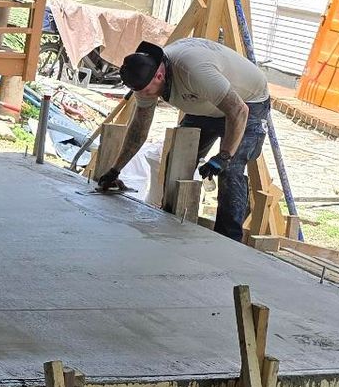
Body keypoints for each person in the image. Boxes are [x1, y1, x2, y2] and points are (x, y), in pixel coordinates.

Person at [98, 37, 273, 240]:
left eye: (147, 91)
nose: (145, 96)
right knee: (178, 159)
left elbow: (238, 110)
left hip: (248, 104)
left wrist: (224, 156)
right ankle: (171, 221)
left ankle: (228, 241)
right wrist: (115, 170)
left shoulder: (193, 71)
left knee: (231, 170)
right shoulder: (146, 78)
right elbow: (139, 129)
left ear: (159, 76)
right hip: (207, 102)